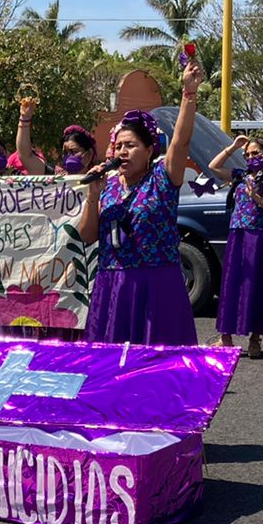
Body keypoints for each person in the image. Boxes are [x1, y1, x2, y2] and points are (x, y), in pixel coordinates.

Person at [74, 58, 203, 345]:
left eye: (130, 145)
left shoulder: (162, 178)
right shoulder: (107, 187)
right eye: (118, 146)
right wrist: (93, 194)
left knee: (158, 366)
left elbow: (180, 142)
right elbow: (87, 235)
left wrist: (188, 94)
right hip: (114, 286)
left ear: (149, 150)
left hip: (157, 285)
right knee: (114, 369)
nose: (122, 151)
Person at [205, 134, 263, 357]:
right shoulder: (241, 176)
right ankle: (226, 337)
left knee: (260, 286)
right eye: (248, 154)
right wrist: (233, 147)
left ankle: (255, 339)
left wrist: (257, 197)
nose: (251, 157)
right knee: (234, 285)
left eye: (256, 153)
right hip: (240, 236)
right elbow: (213, 166)